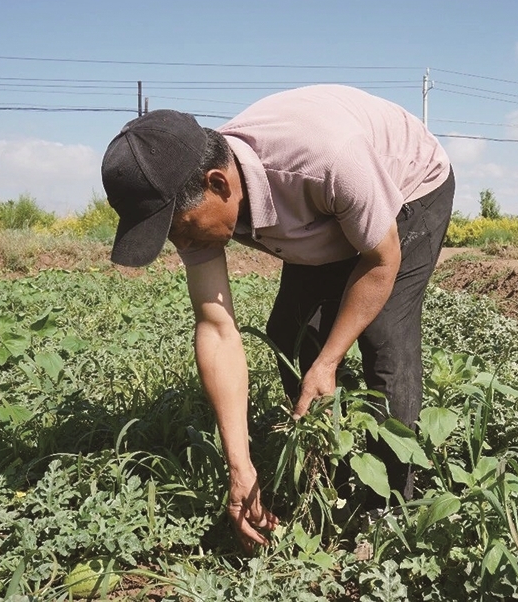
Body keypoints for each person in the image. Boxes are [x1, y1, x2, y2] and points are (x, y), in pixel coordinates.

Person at [101, 85, 455, 552]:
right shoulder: (197, 196)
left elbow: (380, 260)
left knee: (384, 337)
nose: (181, 246)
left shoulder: (326, 160)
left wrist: (329, 361)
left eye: (180, 231)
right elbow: (216, 327)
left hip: (410, 187)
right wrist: (240, 466)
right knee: (290, 334)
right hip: (323, 208)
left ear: (218, 184)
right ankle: (328, 466)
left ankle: (387, 508)